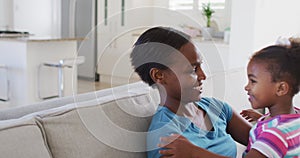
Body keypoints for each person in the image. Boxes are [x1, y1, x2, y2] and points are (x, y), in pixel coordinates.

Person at [158, 37, 300, 158]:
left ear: (281, 88)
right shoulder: (293, 118)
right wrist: (263, 120)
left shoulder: (273, 135)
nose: (247, 87)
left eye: (253, 81)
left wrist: (194, 152)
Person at [130, 26, 252, 158]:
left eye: (200, 66)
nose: (203, 76)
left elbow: (270, 143)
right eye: (193, 69)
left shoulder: (216, 108)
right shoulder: (166, 137)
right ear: (159, 75)